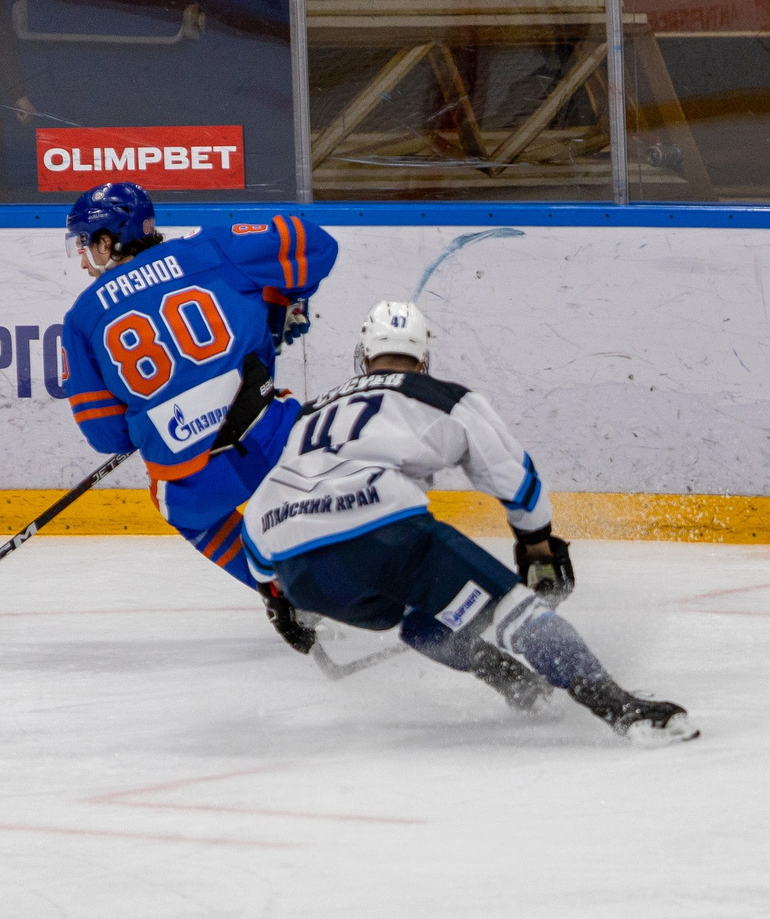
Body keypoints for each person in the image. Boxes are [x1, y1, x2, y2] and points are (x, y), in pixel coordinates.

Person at [239, 299, 696, 745]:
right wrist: (537, 545)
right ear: (424, 357)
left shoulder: (307, 416)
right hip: (382, 529)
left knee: (416, 615)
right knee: (512, 609)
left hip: (294, 562)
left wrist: (275, 597)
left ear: (363, 355)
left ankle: (514, 683)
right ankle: (621, 708)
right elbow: (515, 478)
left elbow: (271, 505)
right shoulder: (438, 394)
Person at [57, 182, 335, 588]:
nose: (82, 262)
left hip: (198, 485)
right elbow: (317, 245)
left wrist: (154, 421)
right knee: (325, 435)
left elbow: (107, 436)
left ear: (106, 242)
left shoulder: (80, 319)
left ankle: (279, 590)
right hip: (274, 443)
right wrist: (287, 298)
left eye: (83, 246)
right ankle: (366, 536)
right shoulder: (208, 249)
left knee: (181, 510)